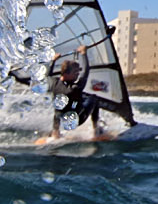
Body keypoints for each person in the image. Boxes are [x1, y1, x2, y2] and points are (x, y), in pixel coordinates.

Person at [9, 43, 137, 137]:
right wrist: (83, 54)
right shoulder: (74, 88)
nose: (77, 75)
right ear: (68, 73)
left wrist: (53, 61)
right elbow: (86, 72)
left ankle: (55, 132)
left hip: (61, 119)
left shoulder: (54, 83)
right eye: (75, 72)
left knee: (60, 107)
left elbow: (47, 75)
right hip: (76, 120)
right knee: (94, 98)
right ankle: (96, 129)